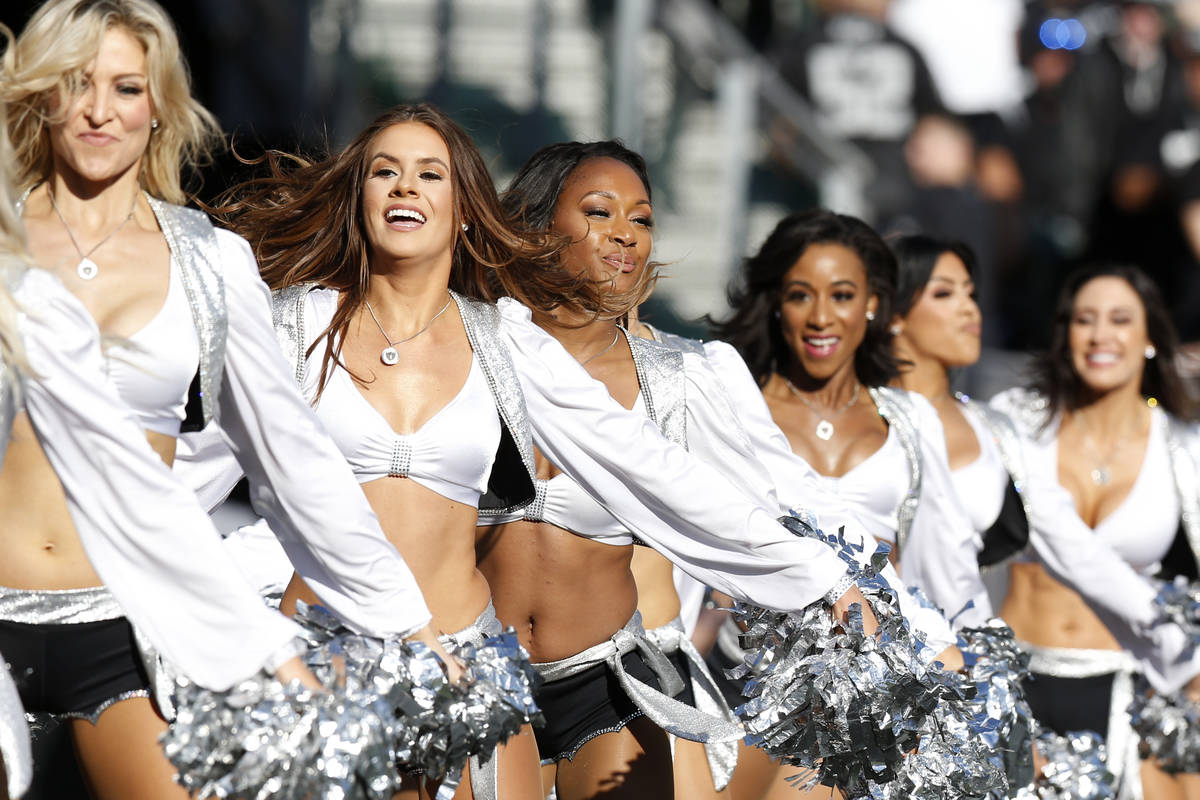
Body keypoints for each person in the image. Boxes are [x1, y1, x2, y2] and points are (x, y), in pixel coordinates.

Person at [197, 104, 876, 800]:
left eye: (429, 174)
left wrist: (814, 575)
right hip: (324, 659)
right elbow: (192, 476)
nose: (405, 187)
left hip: (477, 672)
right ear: (357, 197)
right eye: (384, 172)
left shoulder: (504, 343)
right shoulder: (291, 325)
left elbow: (650, 468)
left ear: (463, 208)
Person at [2, 3, 453, 796]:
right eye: (76, 84)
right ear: (41, 96)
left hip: (135, 620)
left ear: (160, 105)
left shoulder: (211, 262)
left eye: (126, 86)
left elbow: (293, 460)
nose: (100, 110)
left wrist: (405, 619)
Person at [713, 209, 986, 623]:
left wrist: (971, 667)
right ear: (775, 304)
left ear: (872, 303)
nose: (821, 318)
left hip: (885, 672)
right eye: (801, 295)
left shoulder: (911, 421)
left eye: (842, 295)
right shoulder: (728, 408)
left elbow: (950, 575)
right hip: (739, 675)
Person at [992, 263, 1200, 799]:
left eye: (1120, 319)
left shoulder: (1184, 444)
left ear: (1150, 336)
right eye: (1085, 320)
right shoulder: (1015, 421)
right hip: (1010, 679)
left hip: (1128, 686)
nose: (1101, 335)